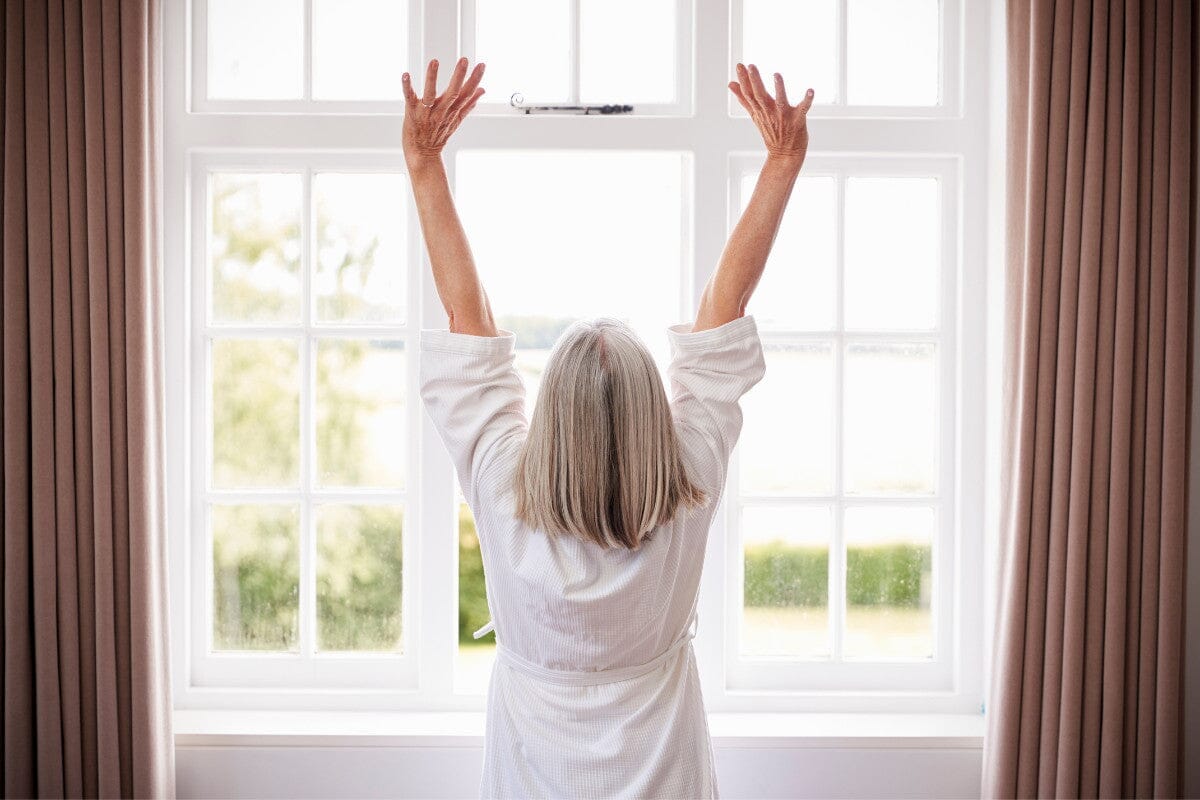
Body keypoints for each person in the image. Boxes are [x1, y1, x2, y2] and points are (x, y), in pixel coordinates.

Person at [401, 56, 813, 800]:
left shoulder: (501, 486)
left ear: (551, 418)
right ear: (652, 412)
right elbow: (723, 311)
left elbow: (468, 321)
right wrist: (782, 164)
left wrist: (425, 165)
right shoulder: (689, 480)